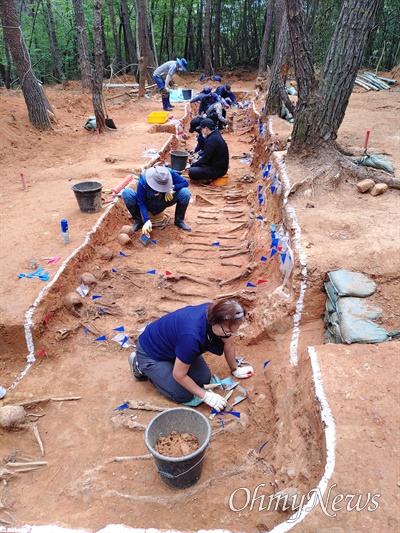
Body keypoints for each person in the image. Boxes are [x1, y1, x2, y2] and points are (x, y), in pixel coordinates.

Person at [128, 300, 254, 411]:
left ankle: (174, 362)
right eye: (227, 331)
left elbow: (229, 344)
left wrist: (235, 369)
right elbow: (179, 375)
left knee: (203, 379)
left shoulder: (216, 312)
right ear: (216, 321)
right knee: (184, 394)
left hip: (175, 347)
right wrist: (206, 396)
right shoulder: (192, 337)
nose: (229, 335)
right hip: (152, 353)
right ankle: (140, 366)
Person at [121, 165, 191, 233]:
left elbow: (185, 183)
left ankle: (179, 221)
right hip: (148, 203)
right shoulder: (144, 180)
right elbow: (141, 202)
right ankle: (138, 221)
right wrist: (146, 220)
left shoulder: (170, 173)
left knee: (185, 193)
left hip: (164, 201)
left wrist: (172, 187)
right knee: (127, 193)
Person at [188, 118, 229, 183]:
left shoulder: (211, 141)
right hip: (218, 165)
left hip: (217, 170)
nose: (201, 131)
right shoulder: (215, 133)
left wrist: (193, 165)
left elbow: (204, 159)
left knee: (192, 171)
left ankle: (208, 179)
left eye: (201, 129)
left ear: (206, 129)